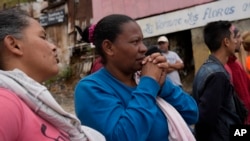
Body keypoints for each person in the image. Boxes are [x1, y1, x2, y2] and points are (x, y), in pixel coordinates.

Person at [74, 14, 198, 141]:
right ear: (109, 48)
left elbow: (192, 113)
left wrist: (162, 84)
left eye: (142, 41)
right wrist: (149, 83)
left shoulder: (142, 77)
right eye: (135, 42)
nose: (144, 48)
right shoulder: (90, 88)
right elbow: (123, 137)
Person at [0, 8, 105, 141]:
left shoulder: (38, 106)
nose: (53, 46)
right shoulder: (5, 102)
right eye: (43, 37)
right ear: (14, 45)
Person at [192, 21, 247, 141]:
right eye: (233, 37)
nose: (237, 41)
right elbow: (206, 121)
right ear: (226, 42)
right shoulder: (217, 75)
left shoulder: (207, 68)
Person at [224, 27, 250, 124]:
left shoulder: (237, 64)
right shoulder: (225, 68)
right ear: (227, 41)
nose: (241, 40)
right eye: (237, 37)